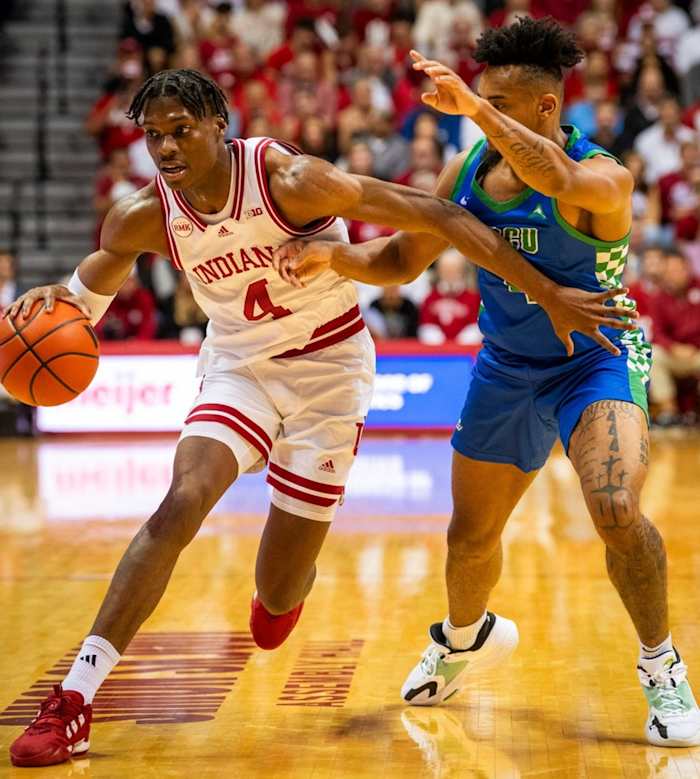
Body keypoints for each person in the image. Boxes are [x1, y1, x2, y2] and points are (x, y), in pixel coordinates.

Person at [4, 67, 624, 768]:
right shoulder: (142, 214)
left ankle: (283, 590)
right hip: (239, 367)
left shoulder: (293, 181)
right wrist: (58, 297)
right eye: (154, 136)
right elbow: (87, 291)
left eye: (182, 131)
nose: (168, 148)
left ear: (217, 125)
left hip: (328, 373)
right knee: (181, 501)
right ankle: (76, 697)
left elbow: (443, 217)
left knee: (274, 607)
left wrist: (547, 293)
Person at [274, 18, 700, 747]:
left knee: (614, 505)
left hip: (595, 357)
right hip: (506, 366)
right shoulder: (466, 173)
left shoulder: (603, 175)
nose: (482, 110)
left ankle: (662, 665)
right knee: (469, 539)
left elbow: (553, 178)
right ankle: (463, 637)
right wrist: (332, 261)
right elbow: (402, 259)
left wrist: (473, 107)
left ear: (544, 109)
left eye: (501, 102)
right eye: (482, 98)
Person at [648, 248, 700, 423]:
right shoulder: (658, 298)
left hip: (697, 352)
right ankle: (669, 412)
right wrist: (674, 348)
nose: (674, 275)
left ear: (687, 268)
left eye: (678, 270)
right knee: (654, 354)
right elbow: (657, 333)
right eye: (669, 271)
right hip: (674, 353)